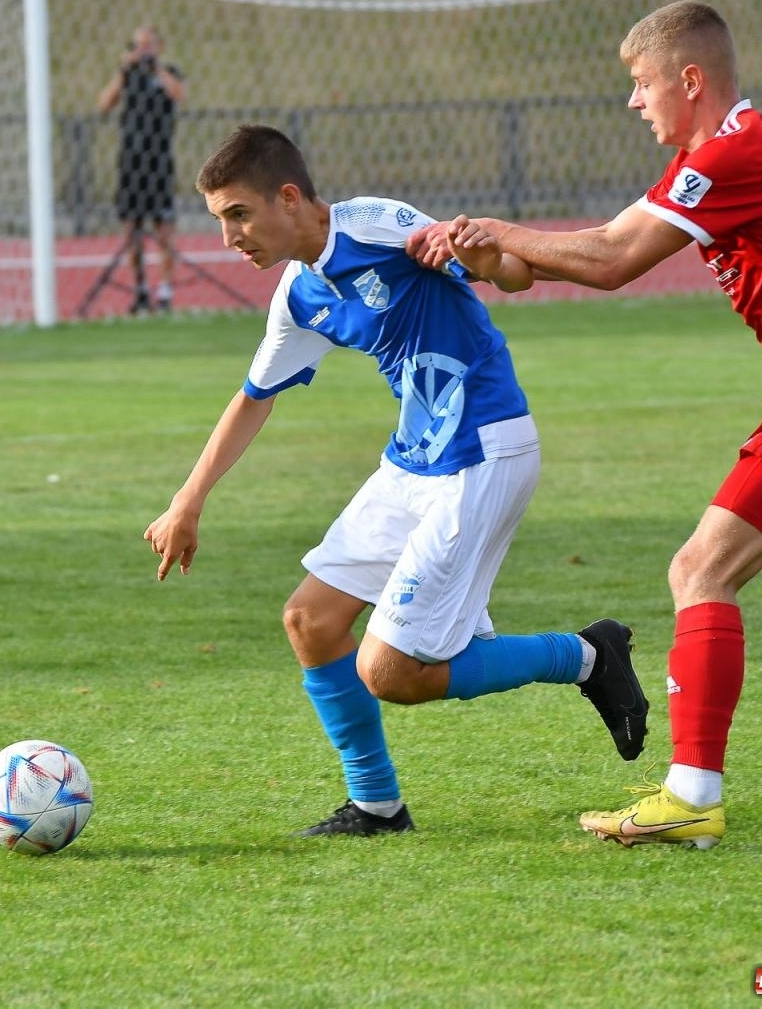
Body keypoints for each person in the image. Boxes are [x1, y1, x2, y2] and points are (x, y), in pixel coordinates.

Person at [406, 0, 762, 850]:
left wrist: (499, 232)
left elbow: (611, 258)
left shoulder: (727, 155)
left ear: (690, 79)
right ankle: (691, 792)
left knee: (699, 571)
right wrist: (491, 257)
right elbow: (572, 258)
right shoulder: (731, 150)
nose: (634, 102)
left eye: (642, 84)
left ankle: (692, 794)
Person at [143, 124, 648, 837]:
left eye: (238, 215)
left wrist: (481, 257)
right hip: (412, 462)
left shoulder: (379, 228)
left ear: (290, 199)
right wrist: (187, 500)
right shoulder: (299, 297)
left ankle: (587, 655)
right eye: (221, 220)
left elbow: (510, 273)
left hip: (483, 454)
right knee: (310, 622)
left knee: (392, 674)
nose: (230, 237)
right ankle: (377, 804)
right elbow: (255, 395)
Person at [96, 24, 186, 314]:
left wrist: (156, 68)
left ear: (159, 46)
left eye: (149, 45)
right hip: (131, 162)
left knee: (163, 230)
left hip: (159, 161)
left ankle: (166, 291)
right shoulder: (127, 74)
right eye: (138, 45)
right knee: (132, 230)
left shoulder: (168, 72)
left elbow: (178, 95)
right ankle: (140, 289)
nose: (144, 50)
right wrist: (125, 69)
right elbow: (104, 104)